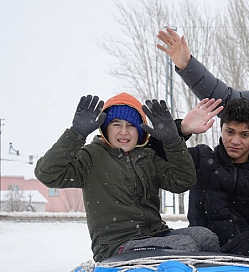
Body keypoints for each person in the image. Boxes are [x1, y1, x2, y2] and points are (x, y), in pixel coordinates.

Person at [34, 93, 220, 262]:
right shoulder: (91, 156)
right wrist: (76, 133)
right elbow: (47, 173)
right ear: (105, 129)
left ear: (140, 131)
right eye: (116, 125)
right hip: (117, 246)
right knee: (184, 246)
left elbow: (183, 181)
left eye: (131, 125)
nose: (124, 132)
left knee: (205, 237)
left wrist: (172, 140)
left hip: (156, 234)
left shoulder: (147, 156)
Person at [178, 97, 249, 258]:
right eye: (230, 132)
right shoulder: (202, 159)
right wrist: (182, 130)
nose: (235, 141)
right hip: (200, 253)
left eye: (244, 134)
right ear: (221, 129)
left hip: (245, 256)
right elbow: (157, 158)